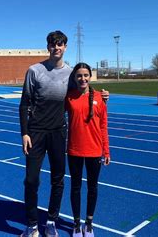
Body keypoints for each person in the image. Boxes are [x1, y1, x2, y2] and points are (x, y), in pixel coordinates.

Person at [19, 31, 108, 237]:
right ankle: (32, 225)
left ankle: (51, 221)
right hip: (36, 133)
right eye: (53, 44)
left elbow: (83, 90)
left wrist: (103, 96)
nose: (56, 47)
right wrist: (24, 133)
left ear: (65, 47)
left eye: (60, 44)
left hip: (59, 133)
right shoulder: (34, 71)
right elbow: (24, 104)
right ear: (48, 46)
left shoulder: (70, 74)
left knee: (58, 179)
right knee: (31, 180)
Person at [65, 63, 110, 237]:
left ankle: (89, 223)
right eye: (79, 76)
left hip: (95, 150)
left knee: (93, 187)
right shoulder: (68, 97)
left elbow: (104, 126)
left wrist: (106, 151)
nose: (82, 78)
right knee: (75, 187)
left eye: (85, 75)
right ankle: (76, 223)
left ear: (90, 77)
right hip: (75, 150)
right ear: (74, 78)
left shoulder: (100, 97)